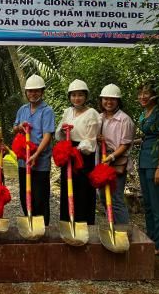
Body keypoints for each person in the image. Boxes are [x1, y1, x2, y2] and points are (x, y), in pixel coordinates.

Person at [55, 79, 101, 225]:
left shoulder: (92, 114)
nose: (77, 98)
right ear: (69, 97)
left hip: (83, 157)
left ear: (85, 96)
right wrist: (62, 130)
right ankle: (67, 223)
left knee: (82, 190)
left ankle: (83, 223)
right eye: (73, 95)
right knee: (67, 189)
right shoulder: (68, 112)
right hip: (68, 154)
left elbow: (91, 139)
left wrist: (76, 150)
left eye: (80, 95)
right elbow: (59, 134)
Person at [14, 74, 55, 226]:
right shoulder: (22, 110)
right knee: (25, 195)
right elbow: (15, 128)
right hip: (23, 161)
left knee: (40, 196)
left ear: (42, 92)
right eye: (30, 91)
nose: (33, 94)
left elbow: (47, 136)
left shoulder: (47, 111)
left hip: (40, 161)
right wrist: (19, 127)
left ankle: (42, 227)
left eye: (36, 91)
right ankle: (29, 223)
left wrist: (36, 154)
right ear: (26, 93)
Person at [137, 82, 159, 255]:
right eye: (140, 93)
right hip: (143, 161)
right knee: (148, 205)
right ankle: (150, 240)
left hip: (155, 162)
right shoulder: (144, 113)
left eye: (146, 93)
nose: (143, 97)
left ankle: (158, 245)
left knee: (157, 205)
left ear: (154, 96)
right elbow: (148, 137)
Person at [97, 84, 134, 225]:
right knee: (103, 197)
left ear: (118, 101)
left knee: (115, 198)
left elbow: (125, 144)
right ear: (101, 100)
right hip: (101, 161)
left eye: (113, 99)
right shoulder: (100, 118)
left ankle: (123, 231)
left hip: (115, 161)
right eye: (106, 99)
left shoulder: (125, 120)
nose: (109, 102)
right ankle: (112, 225)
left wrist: (111, 157)